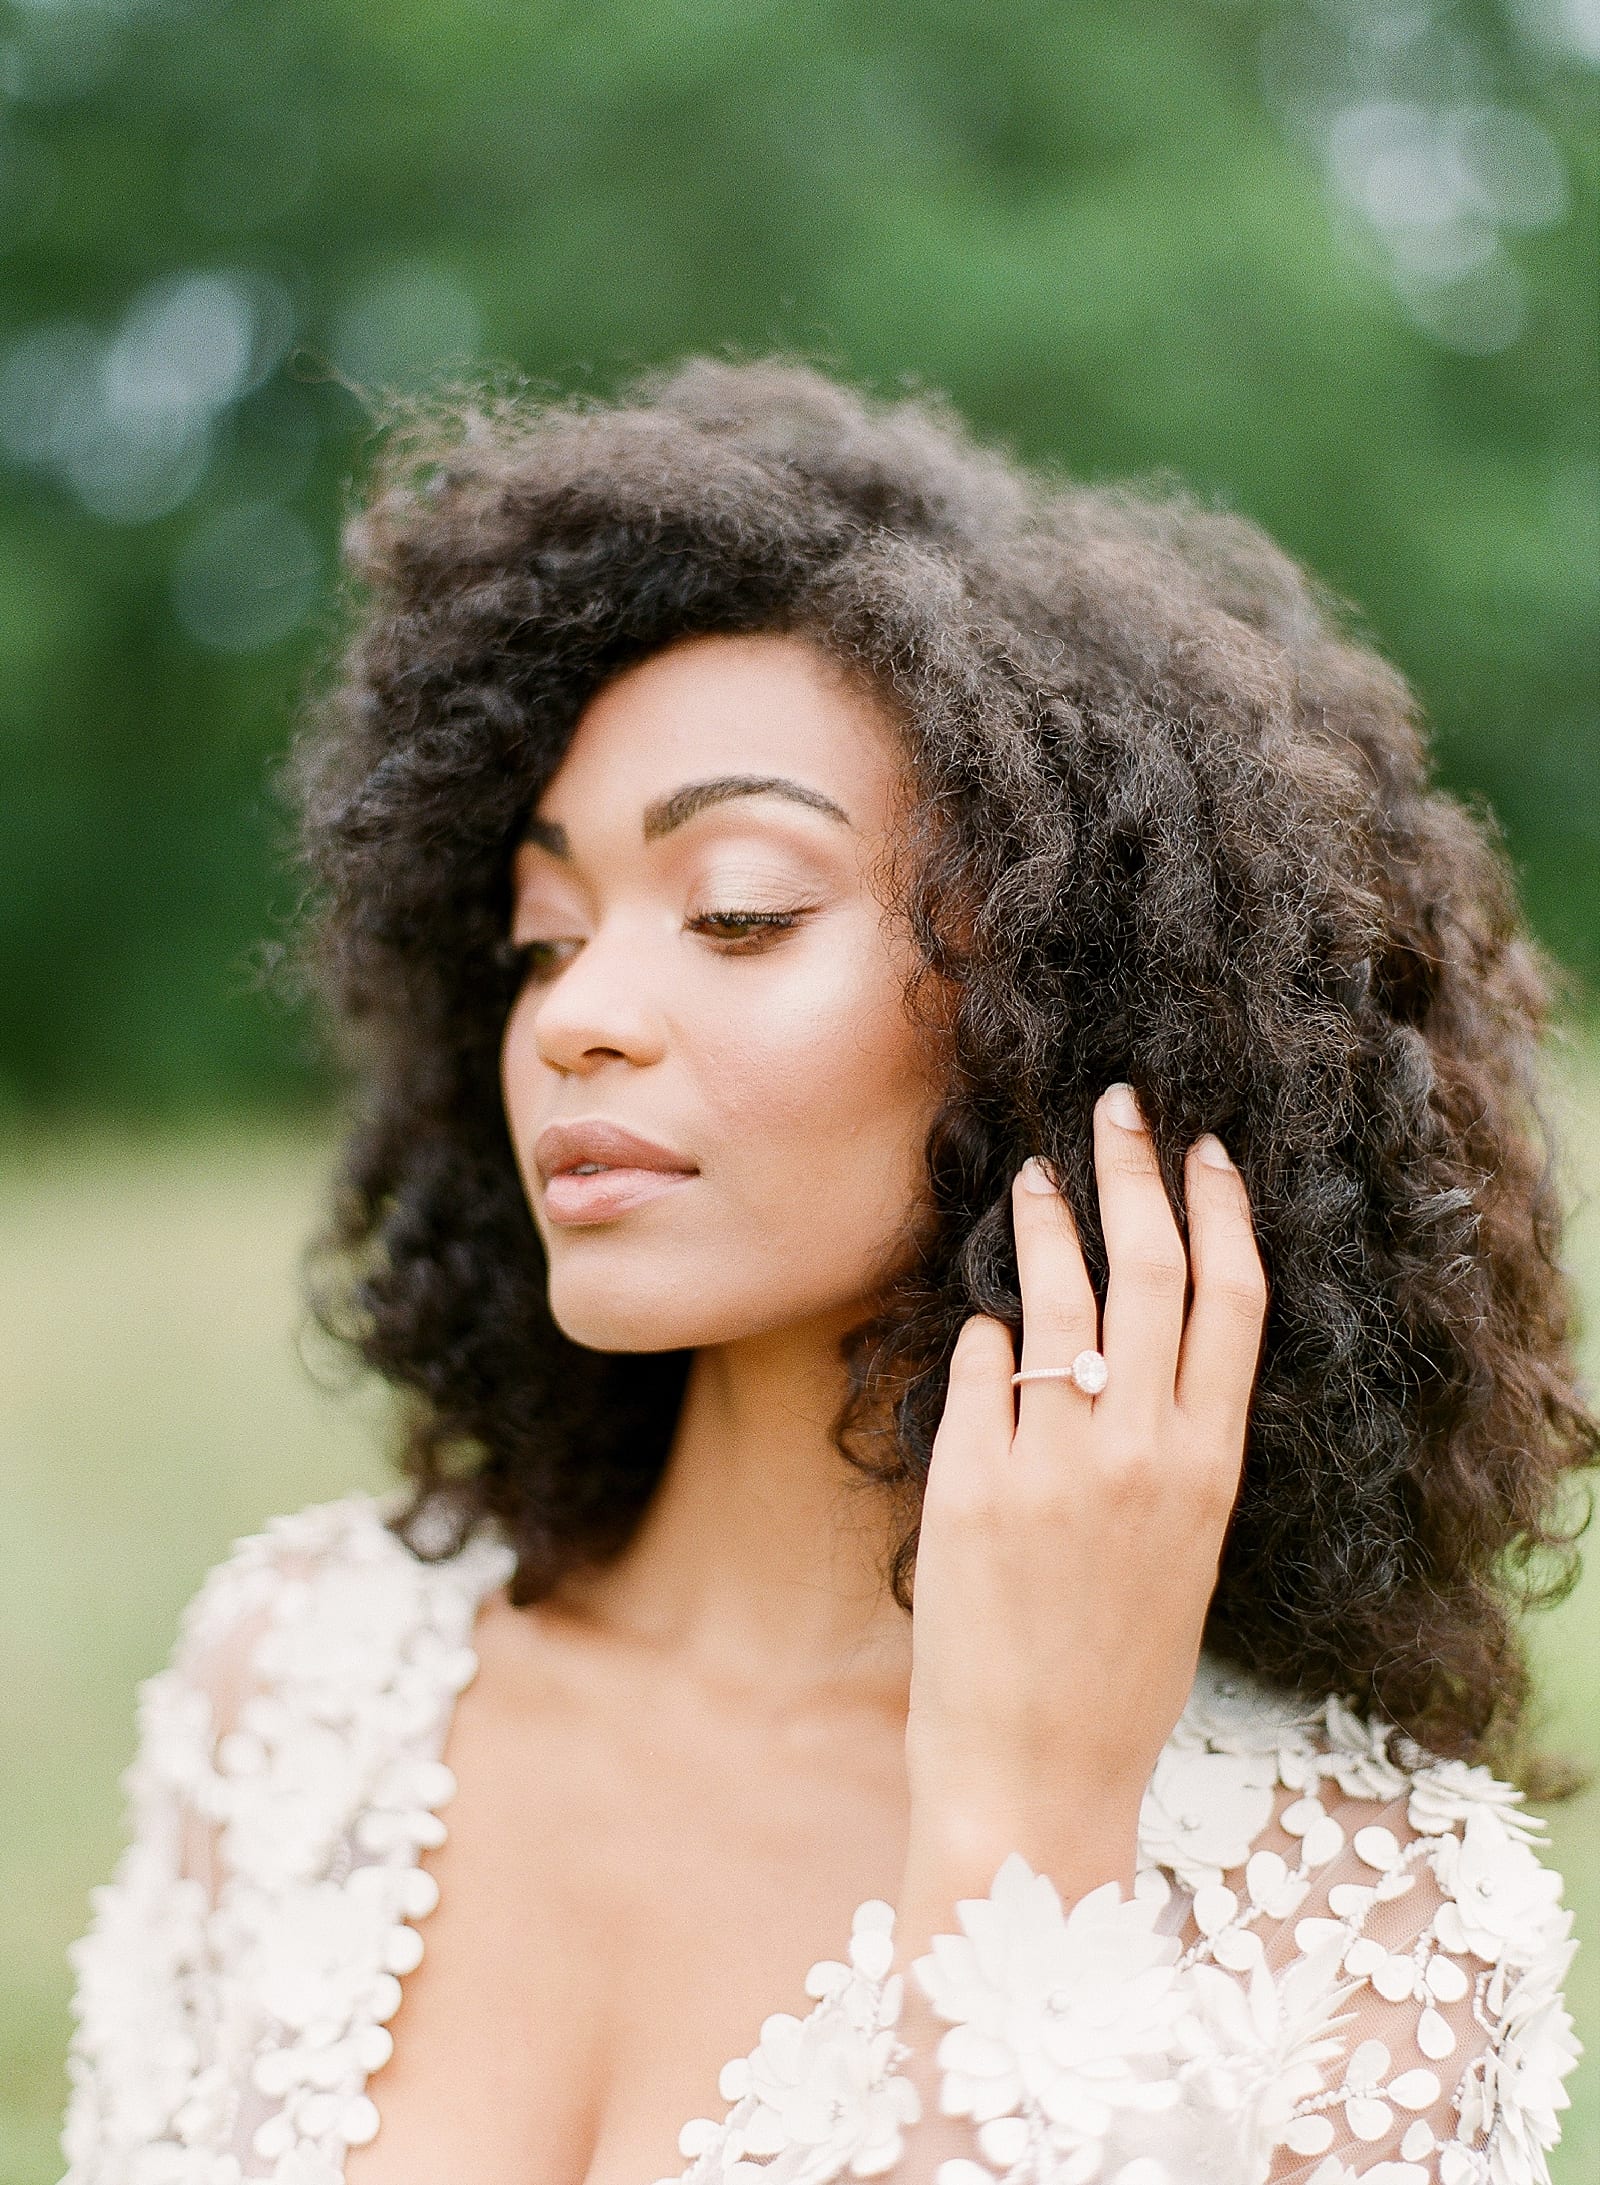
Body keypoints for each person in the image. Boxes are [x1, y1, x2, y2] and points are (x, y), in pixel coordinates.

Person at [57, 359, 1591, 2185]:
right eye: (544, 938)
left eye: (738, 912)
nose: (579, 1020)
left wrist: (1029, 1836)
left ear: (1070, 1008)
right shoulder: (300, 1677)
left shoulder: (1366, 1929)